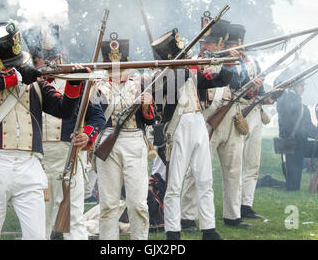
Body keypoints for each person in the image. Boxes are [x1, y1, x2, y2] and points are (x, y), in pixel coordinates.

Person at [0, 21, 85, 240]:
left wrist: (74, 82)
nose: (15, 67)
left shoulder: (38, 86)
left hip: (30, 167)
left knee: (36, 236)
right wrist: (19, 75)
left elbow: (65, 110)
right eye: (10, 65)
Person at [22, 25, 106, 240]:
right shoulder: (27, 86)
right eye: (42, 58)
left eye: (53, 57)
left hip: (69, 157)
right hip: (36, 160)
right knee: (38, 222)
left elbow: (97, 117)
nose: (51, 63)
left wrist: (87, 134)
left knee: (74, 221)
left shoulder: (76, 81)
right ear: (34, 60)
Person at [151, 27, 234, 240]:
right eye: (182, 54)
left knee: (205, 180)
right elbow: (164, 92)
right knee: (174, 184)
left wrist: (227, 61)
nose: (187, 56)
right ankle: (173, 231)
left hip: (198, 122)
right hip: (178, 127)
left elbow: (219, 80)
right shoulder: (159, 76)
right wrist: (188, 67)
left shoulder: (189, 69)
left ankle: (209, 229)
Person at [181, 19, 263, 228]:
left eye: (211, 43)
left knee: (234, 170)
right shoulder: (197, 62)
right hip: (207, 119)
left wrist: (250, 82)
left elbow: (237, 84)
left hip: (231, 116)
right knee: (196, 170)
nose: (206, 47)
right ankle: (188, 216)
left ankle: (232, 215)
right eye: (204, 43)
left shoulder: (233, 63)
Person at [92, 32, 155, 240]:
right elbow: (91, 118)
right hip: (107, 141)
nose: (117, 69)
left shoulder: (139, 84)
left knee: (138, 204)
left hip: (134, 141)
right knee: (108, 205)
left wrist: (147, 105)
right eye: (111, 66)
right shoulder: (96, 86)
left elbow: (150, 120)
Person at [277, 78, 318, 191]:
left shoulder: (286, 101)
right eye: (301, 86)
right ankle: (267, 181)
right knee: (292, 187)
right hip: (294, 145)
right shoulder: (295, 103)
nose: (303, 89)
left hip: (289, 144)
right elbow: (302, 125)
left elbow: (303, 125)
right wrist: (317, 132)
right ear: (293, 87)